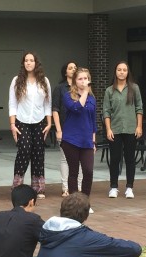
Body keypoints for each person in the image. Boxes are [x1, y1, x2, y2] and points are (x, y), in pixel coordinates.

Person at [9, 52, 52, 199]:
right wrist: (13, 124)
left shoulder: (44, 81)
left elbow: (48, 103)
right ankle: (18, 185)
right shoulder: (17, 80)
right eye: (26, 60)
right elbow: (12, 104)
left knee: (38, 152)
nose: (28, 63)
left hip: (39, 121)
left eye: (31, 60)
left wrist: (49, 122)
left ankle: (38, 187)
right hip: (22, 120)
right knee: (25, 149)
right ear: (23, 63)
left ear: (36, 63)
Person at [103, 61, 143, 199]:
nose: (121, 72)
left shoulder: (134, 88)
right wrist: (108, 129)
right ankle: (113, 187)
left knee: (130, 159)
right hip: (115, 129)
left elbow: (139, 108)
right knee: (114, 159)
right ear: (115, 72)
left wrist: (139, 126)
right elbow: (106, 112)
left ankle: (129, 187)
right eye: (119, 69)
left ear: (128, 72)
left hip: (131, 129)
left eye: (124, 70)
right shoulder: (109, 90)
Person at [61, 67, 97, 211]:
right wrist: (85, 93)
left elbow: (93, 120)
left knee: (88, 171)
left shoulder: (92, 99)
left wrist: (93, 140)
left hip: (87, 140)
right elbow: (77, 108)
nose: (84, 81)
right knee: (74, 171)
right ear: (75, 81)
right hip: (71, 139)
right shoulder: (68, 96)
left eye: (86, 78)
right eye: (80, 79)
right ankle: (75, 204)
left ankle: (85, 203)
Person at [52, 61, 83, 197]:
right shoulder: (60, 88)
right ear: (65, 72)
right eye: (70, 68)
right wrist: (58, 129)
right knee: (65, 159)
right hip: (65, 128)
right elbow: (55, 109)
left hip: (81, 129)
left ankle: (79, 186)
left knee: (81, 159)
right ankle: (66, 187)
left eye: (75, 68)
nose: (73, 70)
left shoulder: (82, 87)